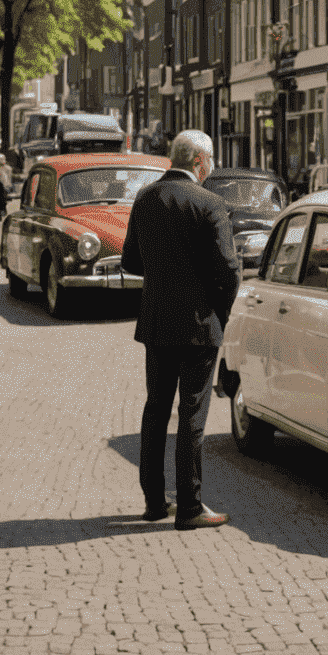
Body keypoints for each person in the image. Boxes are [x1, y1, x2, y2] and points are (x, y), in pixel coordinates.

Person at [121, 129, 240, 531]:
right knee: (192, 411)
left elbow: (130, 261)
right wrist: (218, 314)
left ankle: (155, 502)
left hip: (156, 321)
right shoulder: (210, 204)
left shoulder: (145, 199)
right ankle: (189, 505)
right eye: (212, 162)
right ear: (200, 162)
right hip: (198, 325)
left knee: (156, 408)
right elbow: (229, 271)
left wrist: (162, 276)